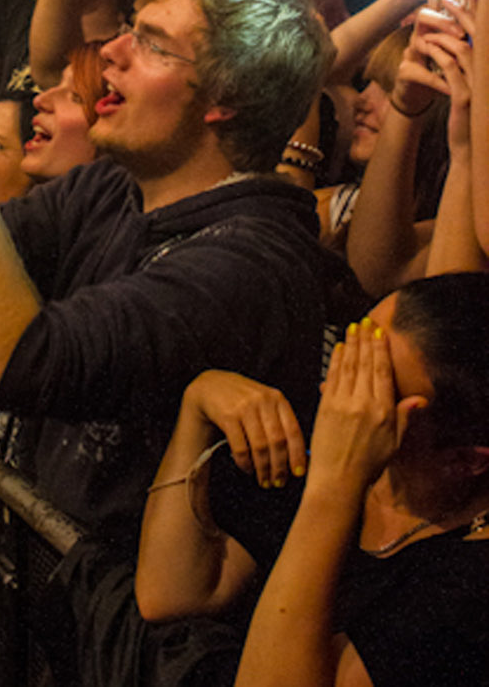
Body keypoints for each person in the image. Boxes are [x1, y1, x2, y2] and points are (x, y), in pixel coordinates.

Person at [0, 0, 335, 544]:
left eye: (152, 44)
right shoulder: (112, 186)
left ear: (225, 97)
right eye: (130, 28)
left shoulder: (247, 265)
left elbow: (6, 365)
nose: (112, 50)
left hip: (113, 594)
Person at [128, 277, 489, 687]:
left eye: (372, 388)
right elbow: (171, 594)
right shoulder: (357, 463)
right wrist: (197, 407)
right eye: (350, 356)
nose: (334, 393)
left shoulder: (469, 587)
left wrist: (333, 487)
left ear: (466, 460)